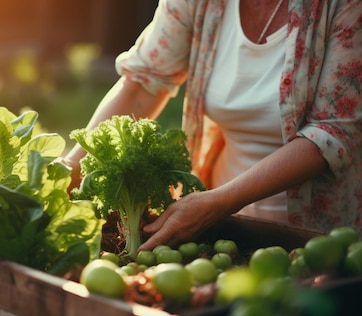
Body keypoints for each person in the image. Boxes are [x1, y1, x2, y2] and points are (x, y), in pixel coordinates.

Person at [62, 0, 362, 250]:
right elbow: (141, 85)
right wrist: (69, 169)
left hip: (318, 240)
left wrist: (218, 203)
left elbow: (330, 133)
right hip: (225, 231)